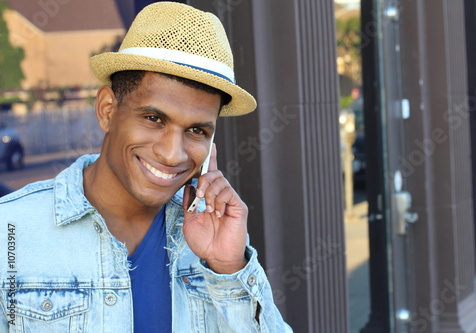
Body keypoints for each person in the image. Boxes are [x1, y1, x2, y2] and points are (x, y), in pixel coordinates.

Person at [0, 2, 292, 332]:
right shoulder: (10, 230)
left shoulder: (213, 239)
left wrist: (228, 269)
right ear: (108, 110)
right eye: (154, 119)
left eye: (197, 130)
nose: (172, 154)